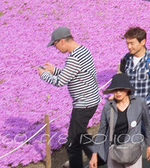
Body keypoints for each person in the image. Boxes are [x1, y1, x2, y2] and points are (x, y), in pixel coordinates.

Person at [40, 26, 103, 168]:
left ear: (62, 41)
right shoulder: (83, 50)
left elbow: (60, 81)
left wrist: (44, 75)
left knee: (72, 143)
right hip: (91, 100)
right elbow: (73, 74)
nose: (56, 48)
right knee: (81, 134)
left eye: (55, 44)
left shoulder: (74, 58)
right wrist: (54, 70)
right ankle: (99, 158)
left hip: (83, 104)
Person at [117, 27, 150, 150]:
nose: (129, 47)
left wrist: (141, 105)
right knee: (126, 142)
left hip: (149, 112)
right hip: (130, 110)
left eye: (132, 43)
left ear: (143, 42)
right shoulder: (127, 59)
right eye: (127, 43)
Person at [87, 74, 150, 168]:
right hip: (114, 151)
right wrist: (94, 154)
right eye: (115, 90)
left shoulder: (139, 103)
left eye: (121, 89)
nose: (118, 92)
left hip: (133, 150)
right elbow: (102, 131)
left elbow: (147, 125)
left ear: (127, 89)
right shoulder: (108, 107)